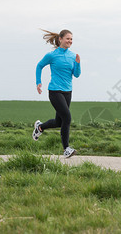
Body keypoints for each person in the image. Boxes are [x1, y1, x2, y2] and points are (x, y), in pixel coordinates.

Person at [33, 29, 81, 158]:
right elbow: (39, 66)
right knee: (67, 117)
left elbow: (76, 75)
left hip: (67, 92)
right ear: (60, 39)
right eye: (67, 38)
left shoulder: (72, 56)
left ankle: (40, 127)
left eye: (71, 39)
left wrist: (77, 63)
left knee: (59, 122)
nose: (70, 41)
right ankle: (66, 149)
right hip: (55, 91)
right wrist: (38, 81)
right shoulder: (52, 55)